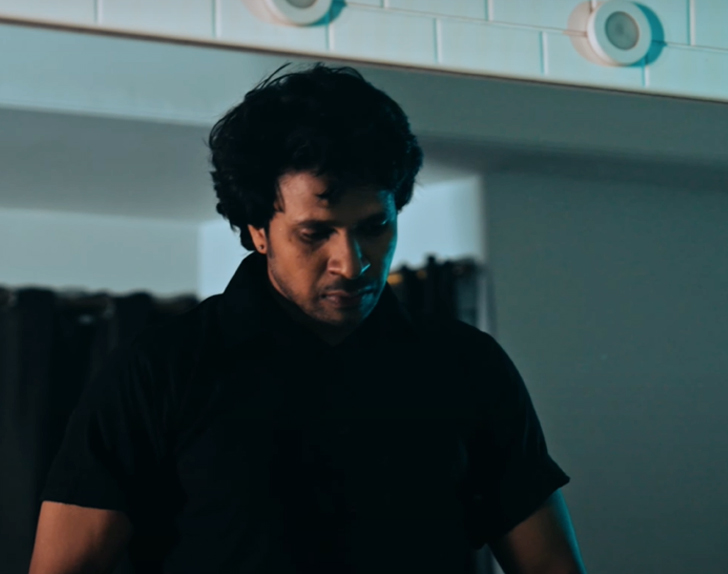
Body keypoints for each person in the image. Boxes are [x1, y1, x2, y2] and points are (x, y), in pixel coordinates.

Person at [29, 63, 587, 574]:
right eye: (315, 233)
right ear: (257, 231)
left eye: (374, 227)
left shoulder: (467, 365)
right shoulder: (157, 372)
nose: (351, 263)